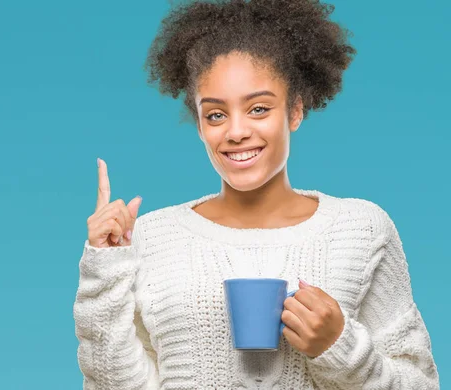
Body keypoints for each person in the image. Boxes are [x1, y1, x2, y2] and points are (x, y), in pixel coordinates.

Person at [73, 0, 440, 388]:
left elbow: (421, 382)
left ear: (295, 111)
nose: (235, 132)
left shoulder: (361, 230)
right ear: (199, 124)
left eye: (259, 109)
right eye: (215, 114)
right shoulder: (152, 236)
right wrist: (104, 270)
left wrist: (340, 347)